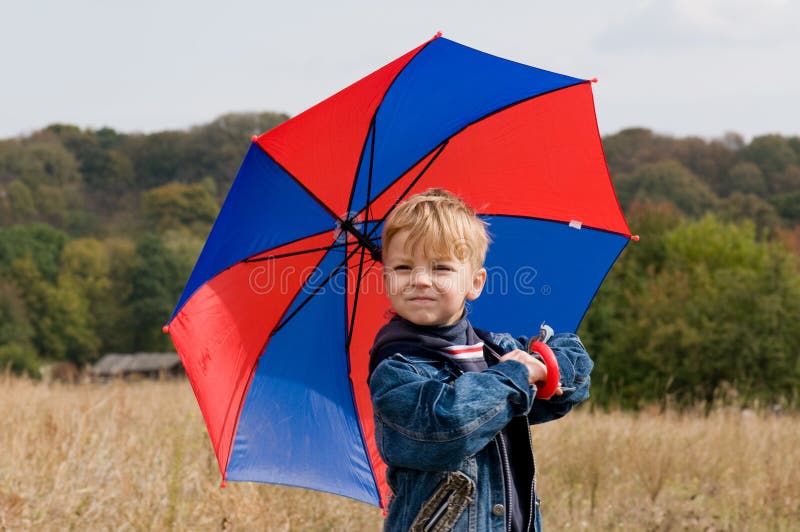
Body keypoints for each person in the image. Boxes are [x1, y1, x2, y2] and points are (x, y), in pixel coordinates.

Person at [368, 189, 594, 532]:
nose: (419, 280)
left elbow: (571, 379)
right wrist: (516, 375)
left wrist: (545, 364)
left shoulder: (494, 350)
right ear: (387, 280)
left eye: (440, 268)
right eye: (402, 267)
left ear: (475, 282)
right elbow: (449, 428)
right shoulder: (397, 370)